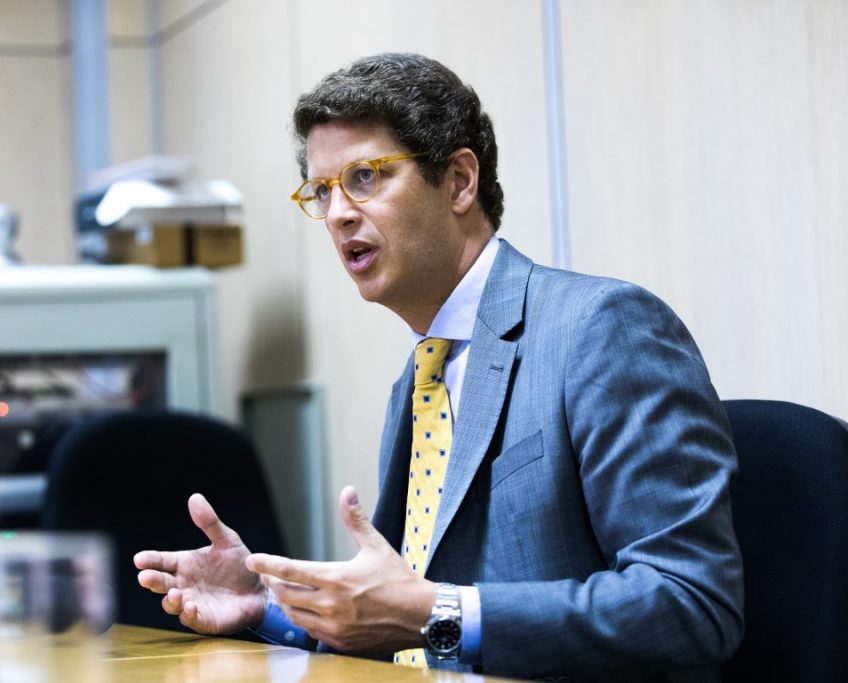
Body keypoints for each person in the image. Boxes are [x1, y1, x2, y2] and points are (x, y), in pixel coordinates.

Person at [134, 53, 744, 681]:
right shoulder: (417, 382)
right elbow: (405, 625)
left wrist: (437, 613)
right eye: (322, 191)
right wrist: (270, 605)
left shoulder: (601, 329)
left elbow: (692, 603)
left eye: (365, 177)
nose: (338, 213)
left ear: (458, 181)